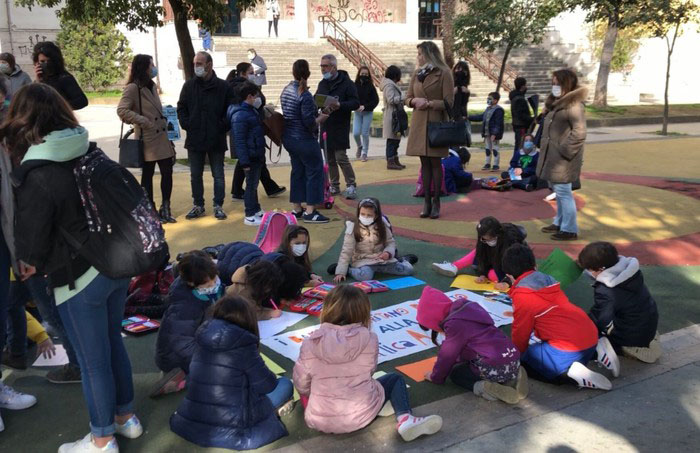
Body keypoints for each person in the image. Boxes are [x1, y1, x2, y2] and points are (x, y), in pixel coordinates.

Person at [2, 83, 141, 451]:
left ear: (24, 122)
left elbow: (30, 244)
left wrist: (29, 263)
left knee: (92, 361)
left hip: (78, 277)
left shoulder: (37, 171)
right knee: (113, 346)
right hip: (116, 264)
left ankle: (101, 438)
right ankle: (126, 418)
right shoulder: (88, 149)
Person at [294, 285, 442, 440]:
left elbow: (301, 382)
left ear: (327, 309)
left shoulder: (310, 342)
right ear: (364, 312)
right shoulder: (370, 338)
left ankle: (383, 407)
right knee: (394, 379)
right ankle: (405, 418)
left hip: (319, 419)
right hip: (361, 414)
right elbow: (369, 372)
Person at [170, 295, 291, 450]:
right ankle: (274, 411)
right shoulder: (244, 345)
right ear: (248, 319)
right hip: (234, 423)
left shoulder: (202, 338)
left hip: (193, 416)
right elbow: (267, 386)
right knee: (285, 384)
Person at [503, 244, 620, 389]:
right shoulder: (548, 279)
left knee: (527, 362)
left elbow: (520, 332)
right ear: (535, 266)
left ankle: (572, 375)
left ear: (509, 275)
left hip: (567, 347)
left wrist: (517, 355)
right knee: (556, 348)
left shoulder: (523, 297)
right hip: (589, 332)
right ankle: (597, 350)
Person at [417, 285, 527, 404]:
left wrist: (435, 377)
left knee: (457, 374)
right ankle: (514, 377)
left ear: (434, 319)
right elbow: (469, 348)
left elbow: (447, 356)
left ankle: (485, 388)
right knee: (486, 364)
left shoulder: (454, 325)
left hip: (493, 366)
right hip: (513, 358)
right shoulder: (470, 309)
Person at [153, 251, 224, 397]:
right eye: (207, 283)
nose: (213, 284)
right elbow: (182, 345)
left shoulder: (204, 288)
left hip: (197, 340)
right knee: (219, 373)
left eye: (214, 278)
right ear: (191, 283)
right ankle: (180, 378)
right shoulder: (184, 306)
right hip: (175, 358)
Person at [578, 242, 661, 363]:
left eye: (589, 269)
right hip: (647, 323)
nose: (588, 272)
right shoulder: (630, 271)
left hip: (631, 335)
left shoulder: (606, 291)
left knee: (593, 335)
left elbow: (600, 318)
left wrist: (579, 325)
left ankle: (624, 348)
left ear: (601, 269)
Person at [117, 54, 176, 223]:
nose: (154, 67)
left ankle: (166, 208)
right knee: (148, 174)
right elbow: (122, 110)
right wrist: (143, 121)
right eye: (152, 65)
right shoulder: (133, 88)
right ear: (144, 67)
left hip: (161, 137)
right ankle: (150, 210)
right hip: (148, 138)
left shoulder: (152, 86)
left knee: (167, 171)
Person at [177, 51, 231, 221]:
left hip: (216, 138)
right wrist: (187, 124)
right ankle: (198, 204)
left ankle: (218, 205)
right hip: (195, 137)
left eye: (199, 63)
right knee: (195, 174)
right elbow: (181, 107)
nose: (196, 66)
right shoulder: (189, 86)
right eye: (195, 63)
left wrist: (221, 126)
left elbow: (230, 110)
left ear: (209, 64)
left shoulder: (223, 87)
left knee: (218, 175)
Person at [3, 273, 82, 383]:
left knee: (54, 317)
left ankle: (77, 366)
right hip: (22, 268)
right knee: (11, 305)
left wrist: (41, 336)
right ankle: (16, 354)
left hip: (29, 266)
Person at [405, 41, 454, 219]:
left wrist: (431, 103)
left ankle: (436, 201)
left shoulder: (444, 73)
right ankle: (426, 200)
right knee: (424, 163)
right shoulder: (418, 73)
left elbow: (449, 102)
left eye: (420, 54)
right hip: (419, 123)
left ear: (429, 54)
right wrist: (413, 102)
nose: (418, 57)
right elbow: (408, 97)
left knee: (435, 163)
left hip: (436, 123)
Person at [538, 69, 587, 241]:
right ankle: (559, 222)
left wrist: (563, 149)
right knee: (559, 192)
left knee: (564, 192)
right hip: (553, 156)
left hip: (563, 158)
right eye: (553, 83)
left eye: (557, 83)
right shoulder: (557, 103)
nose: (554, 86)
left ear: (565, 84)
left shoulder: (573, 105)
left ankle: (569, 229)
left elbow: (579, 132)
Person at [227, 63, 286, 203]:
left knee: (254, 159)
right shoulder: (239, 88)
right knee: (249, 161)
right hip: (246, 129)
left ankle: (267, 187)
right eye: (250, 72)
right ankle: (250, 194)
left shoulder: (242, 86)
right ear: (242, 73)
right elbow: (257, 101)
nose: (253, 74)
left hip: (252, 127)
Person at [280, 59, 329, 223]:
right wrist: (322, 117)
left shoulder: (286, 90)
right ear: (307, 73)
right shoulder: (305, 95)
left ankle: (297, 208)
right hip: (304, 139)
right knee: (315, 172)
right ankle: (310, 210)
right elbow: (309, 122)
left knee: (297, 172)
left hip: (290, 138)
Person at [432, 216, 526, 288]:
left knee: (494, 276)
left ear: (498, 234)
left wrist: (507, 282)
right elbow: (481, 253)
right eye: (484, 238)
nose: (486, 241)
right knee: (480, 252)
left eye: (489, 239)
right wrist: (483, 274)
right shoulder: (484, 240)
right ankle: (455, 266)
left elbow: (518, 266)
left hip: (511, 264)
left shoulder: (511, 242)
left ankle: (456, 266)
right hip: (496, 260)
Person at [334, 197, 413, 283]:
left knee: (408, 270)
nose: (365, 217)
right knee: (365, 276)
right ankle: (349, 270)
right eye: (362, 214)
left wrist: (387, 253)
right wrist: (341, 272)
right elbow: (346, 250)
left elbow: (390, 242)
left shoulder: (382, 224)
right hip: (364, 261)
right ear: (358, 213)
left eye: (369, 215)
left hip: (383, 260)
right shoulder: (353, 226)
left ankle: (403, 260)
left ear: (376, 216)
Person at [316, 54, 360, 200]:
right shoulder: (322, 83)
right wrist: (318, 103)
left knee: (341, 157)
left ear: (334, 67)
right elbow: (317, 99)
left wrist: (340, 105)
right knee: (329, 159)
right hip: (326, 124)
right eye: (321, 66)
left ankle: (351, 184)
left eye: (325, 66)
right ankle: (334, 184)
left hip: (340, 124)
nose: (323, 69)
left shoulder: (347, 83)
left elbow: (355, 103)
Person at [229, 81, 267, 226]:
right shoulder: (241, 115)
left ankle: (255, 209)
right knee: (251, 185)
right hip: (250, 156)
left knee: (254, 184)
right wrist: (244, 161)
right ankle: (249, 213)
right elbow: (240, 140)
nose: (258, 99)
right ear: (249, 96)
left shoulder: (250, 111)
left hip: (255, 153)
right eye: (256, 96)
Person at [31, 41, 87, 110]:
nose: (46, 64)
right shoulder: (39, 80)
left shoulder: (64, 78)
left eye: (49, 61)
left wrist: (59, 106)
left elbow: (82, 101)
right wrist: (38, 81)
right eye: (42, 61)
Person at [379, 65, 406, 170]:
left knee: (395, 139)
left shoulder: (390, 84)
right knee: (392, 140)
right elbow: (391, 99)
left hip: (394, 115)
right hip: (392, 116)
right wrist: (403, 97)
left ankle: (394, 159)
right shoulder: (389, 85)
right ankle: (390, 160)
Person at [469, 92, 504, 172]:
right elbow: (481, 117)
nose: (488, 100)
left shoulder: (498, 110)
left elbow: (498, 123)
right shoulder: (488, 109)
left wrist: (494, 133)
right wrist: (469, 117)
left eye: (490, 98)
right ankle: (487, 163)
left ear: (495, 100)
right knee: (488, 148)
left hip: (493, 134)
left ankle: (496, 164)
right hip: (487, 133)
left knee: (495, 149)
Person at [353, 66, 379, 162]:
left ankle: (364, 153)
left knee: (365, 133)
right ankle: (359, 146)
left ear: (368, 75)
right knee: (355, 133)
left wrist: (365, 106)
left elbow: (375, 101)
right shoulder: (354, 85)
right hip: (357, 112)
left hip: (367, 112)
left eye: (366, 74)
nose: (363, 76)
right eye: (362, 74)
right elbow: (352, 97)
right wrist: (356, 106)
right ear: (359, 74)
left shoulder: (371, 86)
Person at [509, 77, 533, 153]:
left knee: (519, 143)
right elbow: (522, 114)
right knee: (520, 144)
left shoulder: (515, 97)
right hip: (521, 125)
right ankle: (517, 161)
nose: (526, 87)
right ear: (522, 87)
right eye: (525, 85)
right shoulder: (520, 99)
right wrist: (532, 119)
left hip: (517, 124)